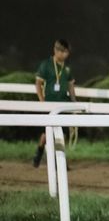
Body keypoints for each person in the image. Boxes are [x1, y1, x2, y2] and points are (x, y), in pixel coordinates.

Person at [32, 39, 76, 167]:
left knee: (63, 134)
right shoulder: (46, 65)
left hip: (64, 104)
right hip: (50, 104)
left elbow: (71, 86)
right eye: (63, 52)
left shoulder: (67, 69)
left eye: (67, 52)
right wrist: (42, 101)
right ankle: (39, 152)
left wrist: (74, 103)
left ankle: (60, 161)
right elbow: (38, 84)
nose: (65, 55)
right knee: (46, 134)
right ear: (56, 50)